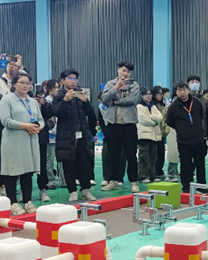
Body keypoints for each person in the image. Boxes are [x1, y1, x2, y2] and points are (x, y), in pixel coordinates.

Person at [0, 73, 44, 216]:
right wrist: (26, 126)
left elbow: (41, 119)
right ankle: (12, 202)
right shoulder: (7, 100)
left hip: (30, 140)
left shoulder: (33, 102)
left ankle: (27, 201)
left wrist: (38, 127)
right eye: (22, 82)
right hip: (13, 141)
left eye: (28, 83)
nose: (26, 86)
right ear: (14, 84)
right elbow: (5, 120)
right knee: (12, 172)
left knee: (28, 172)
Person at [51, 68, 97, 202]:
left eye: (75, 79)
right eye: (70, 79)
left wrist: (85, 101)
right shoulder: (59, 96)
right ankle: (72, 191)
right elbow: (57, 113)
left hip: (82, 135)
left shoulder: (79, 93)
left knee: (85, 163)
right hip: (66, 136)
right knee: (69, 164)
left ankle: (86, 190)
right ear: (63, 81)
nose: (73, 82)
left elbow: (91, 113)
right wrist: (65, 100)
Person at [101, 61, 140, 192]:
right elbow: (105, 98)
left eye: (128, 72)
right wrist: (116, 87)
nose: (126, 74)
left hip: (129, 124)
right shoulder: (110, 84)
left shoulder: (134, 85)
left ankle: (134, 181)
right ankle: (113, 181)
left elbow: (132, 100)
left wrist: (116, 102)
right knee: (114, 154)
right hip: (114, 124)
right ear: (118, 70)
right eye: (124, 70)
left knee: (131, 154)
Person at [166, 82, 207, 193]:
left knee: (200, 164)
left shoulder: (196, 102)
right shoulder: (173, 107)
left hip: (198, 139)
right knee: (185, 165)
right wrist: (182, 129)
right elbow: (170, 121)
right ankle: (186, 187)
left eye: (184, 89)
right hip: (183, 141)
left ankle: (202, 187)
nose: (182, 92)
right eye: (179, 90)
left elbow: (201, 115)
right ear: (176, 92)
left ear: (188, 90)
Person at [35, 80, 58, 201]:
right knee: (26, 167)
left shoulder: (45, 102)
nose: (25, 86)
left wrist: (43, 105)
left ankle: (43, 189)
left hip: (42, 136)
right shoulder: (16, 101)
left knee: (43, 164)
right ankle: (25, 192)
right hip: (24, 136)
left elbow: (49, 115)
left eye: (28, 83)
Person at [137, 87, 163, 184]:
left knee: (153, 157)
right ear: (142, 95)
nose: (149, 96)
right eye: (146, 94)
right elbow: (143, 119)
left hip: (154, 135)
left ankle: (153, 175)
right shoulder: (139, 107)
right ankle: (143, 176)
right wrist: (154, 121)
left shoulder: (153, 106)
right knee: (144, 157)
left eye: (150, 94)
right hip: (144, 135)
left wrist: (152, 117)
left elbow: (160, 117)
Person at [187, 75, 208, 140]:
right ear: (188, 84)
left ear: (199, 84)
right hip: (187, 132)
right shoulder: (185, 98)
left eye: (196, 82)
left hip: (202, 131)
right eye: (192, 82)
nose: (195, 84)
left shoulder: (204, 99)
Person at [152, 86, 168, 180]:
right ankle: (153, 171)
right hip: (153, 133)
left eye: (161, 94)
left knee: (161, 154)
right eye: (158, 93)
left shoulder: (163, 106)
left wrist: (166, 129)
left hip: (162, 134)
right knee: (153, 154)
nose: (160, 95)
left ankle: (159, 170)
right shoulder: (151, 106)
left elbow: (165, 119)